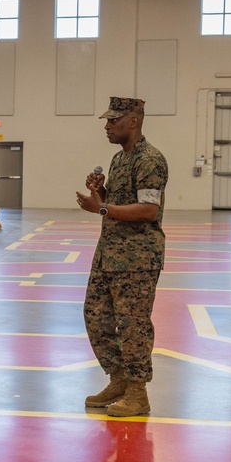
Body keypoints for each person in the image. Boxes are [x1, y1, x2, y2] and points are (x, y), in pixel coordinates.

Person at [76, 97, 168, 418]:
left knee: (133, 326)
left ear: (134, 121)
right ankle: (118, 380)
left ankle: (137, 392)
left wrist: (101, 207)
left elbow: (148, 209)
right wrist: (100, 194)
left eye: (113, 120)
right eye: (107, 120)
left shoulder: (150, 160)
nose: (107, 126)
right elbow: (117, 207)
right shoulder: (119, 160)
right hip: (109, 255)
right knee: (96, 317)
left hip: (138, 259)